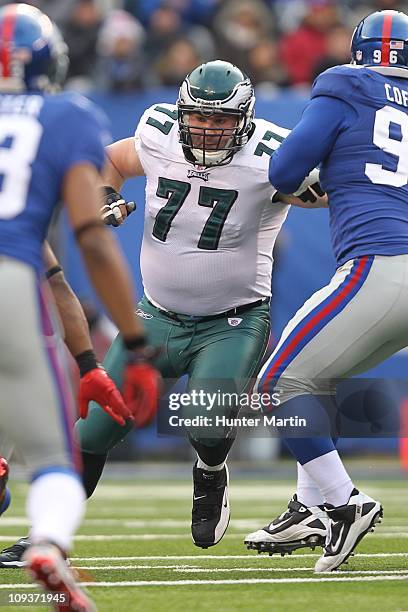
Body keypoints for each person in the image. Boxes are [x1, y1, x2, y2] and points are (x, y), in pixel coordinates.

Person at [70, 59, 324, 552]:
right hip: (156, 313)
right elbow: (115, 160)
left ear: (244, 120)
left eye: (221, 120)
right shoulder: (159, 131)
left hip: (233, 319)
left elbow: (325, 193)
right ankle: (48, 539)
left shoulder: (271, 155)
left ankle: (210, 471)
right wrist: (104, 195)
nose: (207, 129)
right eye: (199, 118)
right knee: (94, 427)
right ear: (183, 112)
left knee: (206, 422)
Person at [0, 3, 159, 608]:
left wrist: (90, 364)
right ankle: (46, 545)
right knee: (52, 460)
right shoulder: (67, 117)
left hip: (20, 268)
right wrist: (133, 345)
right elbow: (89, 239)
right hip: (11, 281)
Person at [245, 9, 408, 572]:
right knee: (318, 377)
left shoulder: (345, 82)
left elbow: (285, 170)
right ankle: (309, 503)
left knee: (277, 382)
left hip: (380, 264)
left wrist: (321, 180)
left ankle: (344, 502)